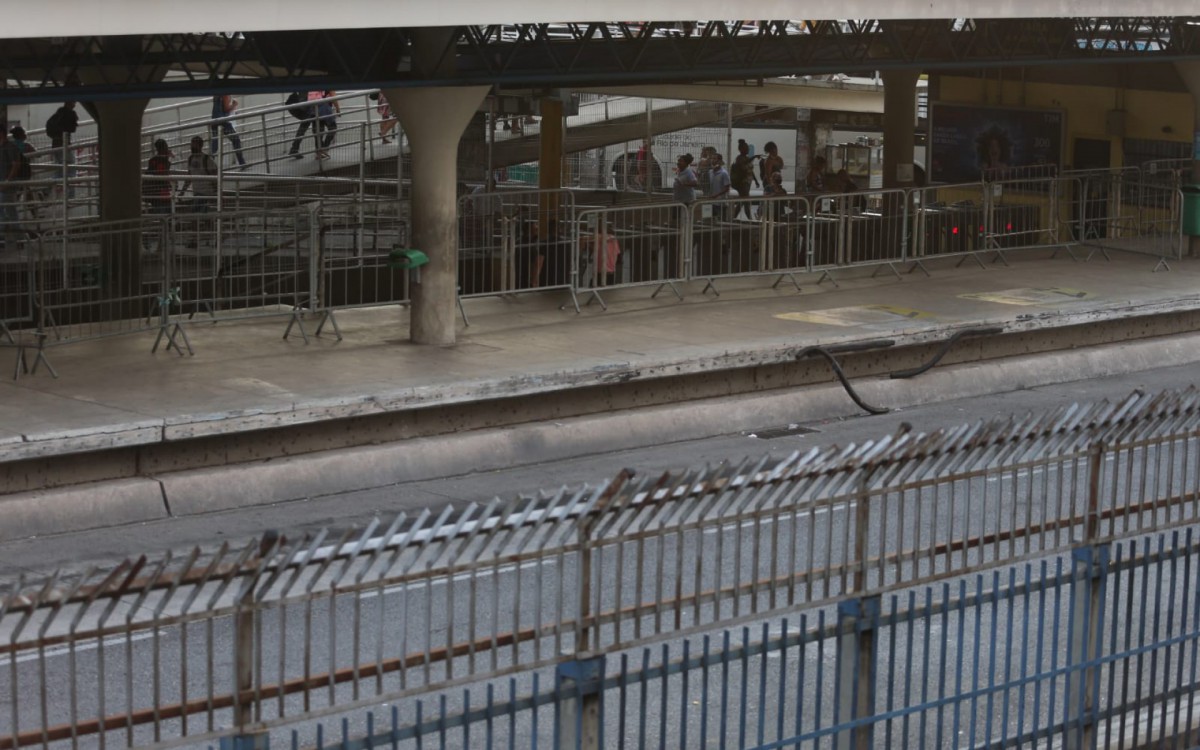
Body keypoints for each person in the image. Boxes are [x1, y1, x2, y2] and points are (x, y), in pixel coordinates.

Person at [45, 102, 79, 192]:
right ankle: (70, 197)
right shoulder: (69, 114)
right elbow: (72, 129)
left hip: (55, 145)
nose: (75, 104)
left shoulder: (58, 114)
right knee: (71, 169)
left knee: (60, 170)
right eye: (74, 102)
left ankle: (46, 189)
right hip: (64, 145)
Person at [181, 135, 218, 213]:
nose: (191, 146)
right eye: (191, 144)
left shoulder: (207, 159)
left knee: (194, 213)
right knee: (203, 215)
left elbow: (215, 176)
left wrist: (218, 192)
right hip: (197, 192)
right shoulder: (191, 158)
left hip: (207, 193)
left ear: (200, 146)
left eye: (194, 144)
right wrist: (182, 191)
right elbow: (189, 176)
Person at [209, 95, 246, 168]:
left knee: (215, 145)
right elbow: (226, 109)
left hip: (214, 121)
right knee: (236, 139)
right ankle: (242, 163)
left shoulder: (217, 94)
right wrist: (234, 105)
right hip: (223, 122)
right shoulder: (225, 94)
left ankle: (208, 164)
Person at [730, 138, 760, 218]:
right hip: (742, 183)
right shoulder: (739, 158)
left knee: (742, 200)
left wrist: (756, 181)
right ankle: (749, 217)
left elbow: (750, 170)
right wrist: (753, 157)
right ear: (740, 149)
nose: (747, 150)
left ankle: (734, 217)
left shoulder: (747, 158)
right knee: (746, 200)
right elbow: (743, 166)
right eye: (746, 148)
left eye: (748, 148)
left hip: (747, 182)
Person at [143, 139, 174, 216]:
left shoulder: (153, 160)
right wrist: (168, 158)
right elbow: (163, 173)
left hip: (156, 193)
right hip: (161, 193)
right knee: (167, 216)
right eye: (166, 146)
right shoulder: (162, 160)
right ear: (163, 147)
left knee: (163, 216)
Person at [0, 126, 19, 248]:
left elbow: (16, 164)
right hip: (4, 184)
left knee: (9, 211)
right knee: (8, 211)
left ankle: (15, 238)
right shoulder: (5, 147)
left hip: (7, 185)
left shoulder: (10, 147)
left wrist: (8, 181)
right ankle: (15, 238)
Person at [286, 91, 318, 159]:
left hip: (307, 108)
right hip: (309, 109)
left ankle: (294, 148)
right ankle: (318, 149)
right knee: (315, 128)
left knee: (305, 128)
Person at [706, 152, 731, 221]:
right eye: (711, 158)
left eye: (715, 159)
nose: (712, 160)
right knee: (708, 219)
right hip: (710, 201)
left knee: (721, 222)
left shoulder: (724, 173)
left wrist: (716, 195)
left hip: (720, 202)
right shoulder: (710, 172)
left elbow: (727, 188)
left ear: (719, 161)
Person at [316, 90, 340, 158]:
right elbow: (334, 98)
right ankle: (325, 148)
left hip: (315, 109)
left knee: (319, 131)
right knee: (333, 128)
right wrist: (338, 109)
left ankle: (319, 152)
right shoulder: (328, 84)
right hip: (325, 110)